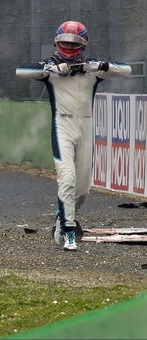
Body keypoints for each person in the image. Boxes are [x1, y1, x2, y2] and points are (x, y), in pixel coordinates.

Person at [15, 20, 131, 251]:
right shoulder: (50, 68)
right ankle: (68, 231)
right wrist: (51, 69)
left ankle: (62, 215)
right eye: (64, 43)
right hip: (62, 126)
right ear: (56, 43)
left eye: (73, 44)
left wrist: (97, 67)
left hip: (86, 128)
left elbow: (126, 69)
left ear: (83, 45)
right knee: (67, 178)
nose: (68, 48)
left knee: (84, 188)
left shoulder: (91, 68)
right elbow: (21, 71)